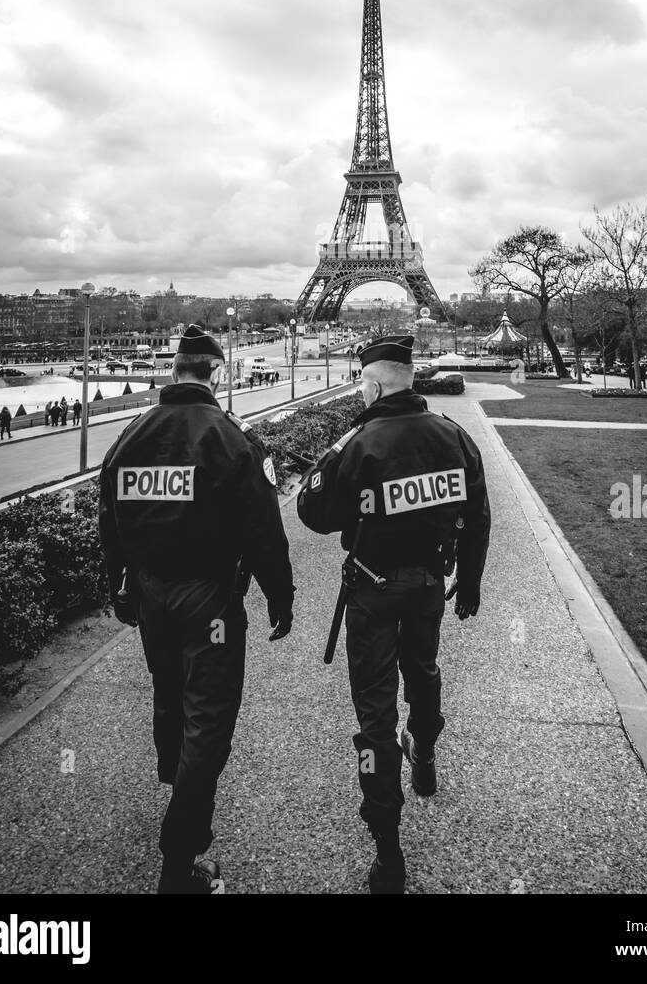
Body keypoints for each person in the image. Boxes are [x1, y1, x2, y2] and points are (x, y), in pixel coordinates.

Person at [98, 325, 295, 896]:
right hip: (209, 595)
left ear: (173, 369)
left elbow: (109, 519)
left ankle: (175, 779)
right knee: (210, 718)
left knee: (168, 691)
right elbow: (264, 530)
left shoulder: (129, 438)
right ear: (215, 373)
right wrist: (279, 596)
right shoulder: (231, 439)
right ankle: (179, 856)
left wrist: (119, 585)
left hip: (151, 593)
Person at [297, 334, 491, 895]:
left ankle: (388, 847)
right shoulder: (455, 437)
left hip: (372, 591)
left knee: (374, 719)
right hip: (430, 583)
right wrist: (470, 582)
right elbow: (477, 517)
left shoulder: (360, 442)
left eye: (363, 383)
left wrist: (330, 460)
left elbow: (315, 514)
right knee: (424, 670)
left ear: (374, 383)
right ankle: (425, 745)